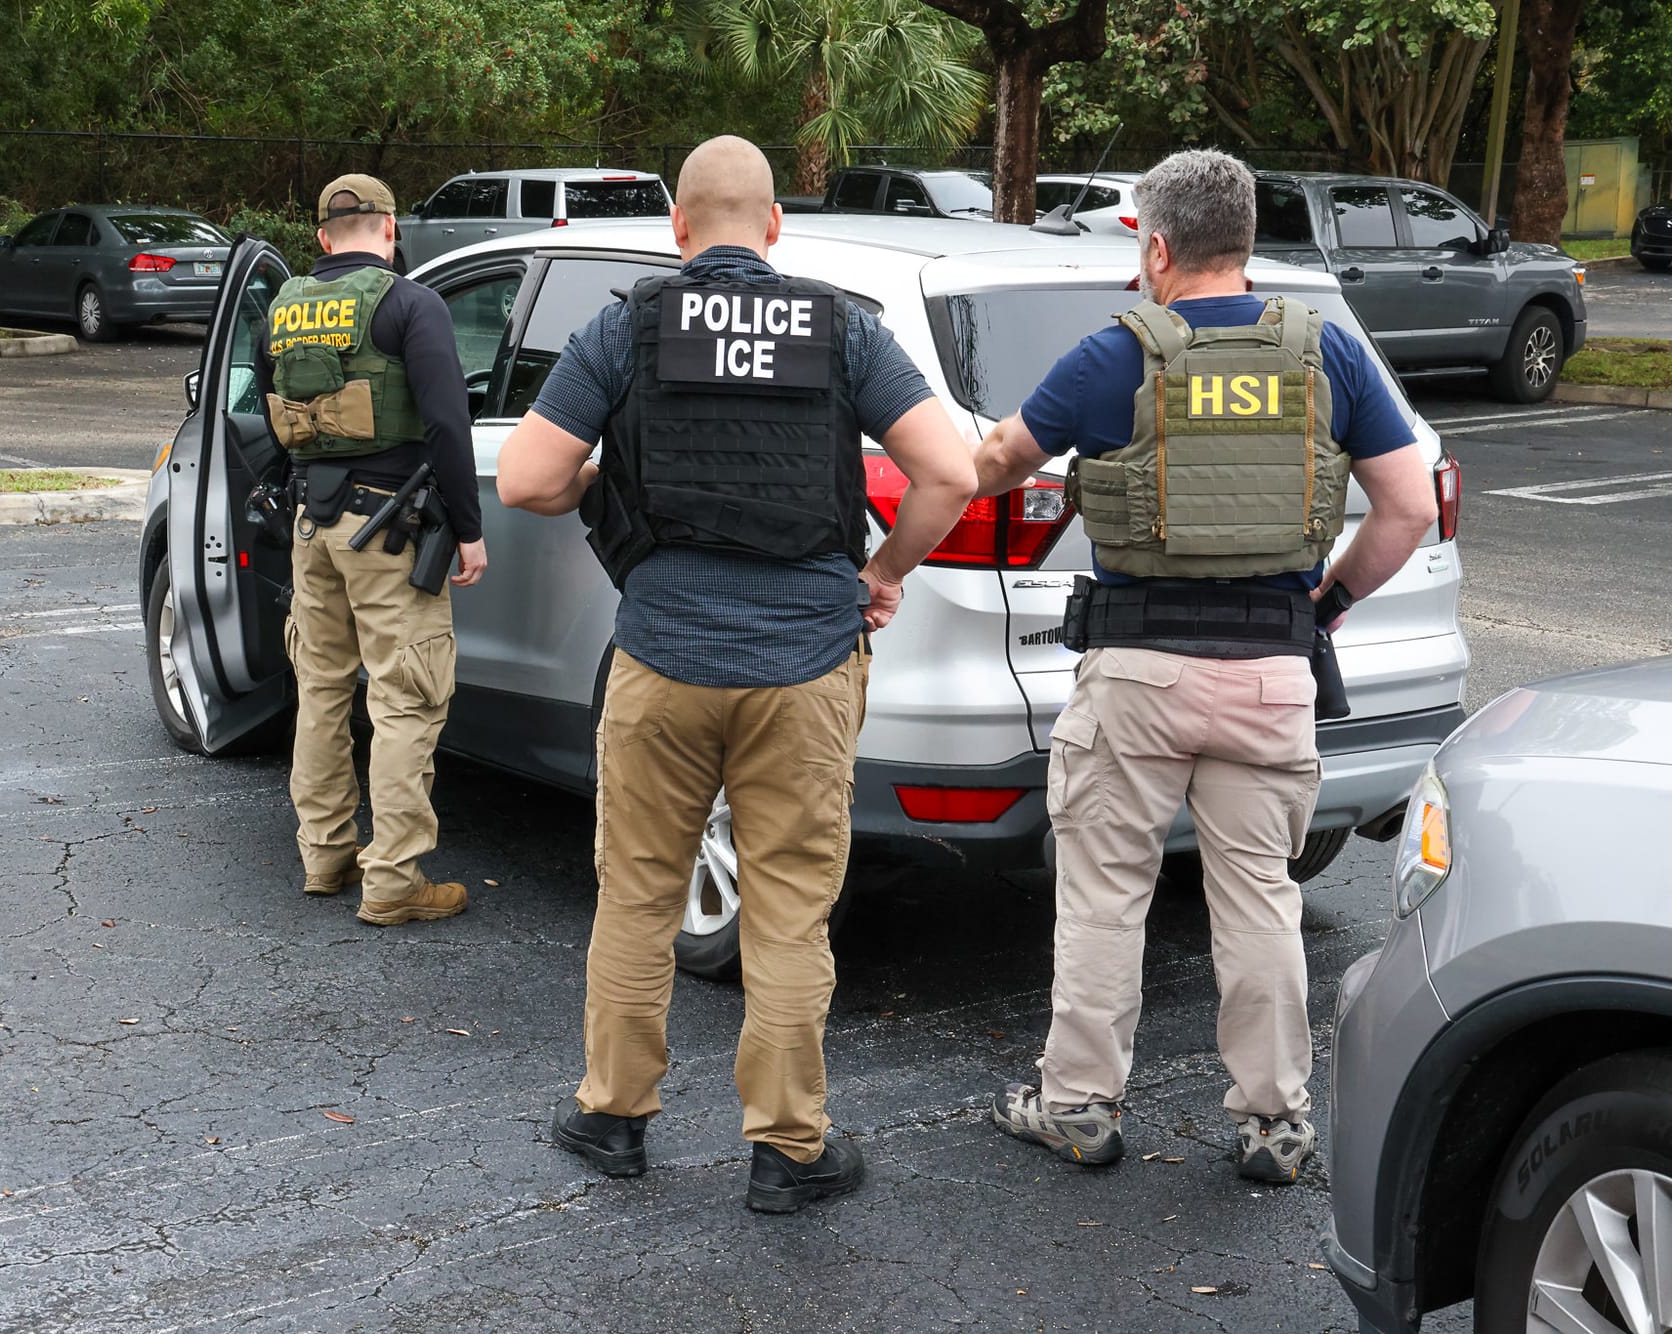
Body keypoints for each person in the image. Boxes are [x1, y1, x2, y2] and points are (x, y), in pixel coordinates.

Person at [495, 135, 977, 1213]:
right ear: (772, 226)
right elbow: (949, 472)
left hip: (661, 658)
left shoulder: (626, 328)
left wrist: (595, 480)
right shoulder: (842, 328)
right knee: (789, 910)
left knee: (637, 894)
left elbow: (526, 477)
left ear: (677, 227)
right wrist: (883, 574)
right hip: (806, 664)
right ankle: (789, 1152)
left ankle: (612, 1117)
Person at [972, 149, 1438, 1184]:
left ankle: (1078, 1104)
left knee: (1104, 896)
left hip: (1136, 674)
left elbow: (996, 461)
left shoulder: (1113, 354)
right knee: (1261, 898)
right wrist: (1324, 607)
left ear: (1155, 247)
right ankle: (1274, 1122)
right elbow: (1407, 507)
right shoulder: (1324, 351)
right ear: (1246, 242)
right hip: (1270, 670)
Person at [265, 173, 489, 926]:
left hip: (312, 527)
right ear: (391, 230)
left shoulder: (284, 307)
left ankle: (324, 856)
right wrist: (469, 528)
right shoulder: (409, 304)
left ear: (322, 238)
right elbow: (449, 423)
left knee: (321, 689)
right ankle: (393, 879)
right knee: (404, 698)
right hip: (389, 530)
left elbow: (276, 418)